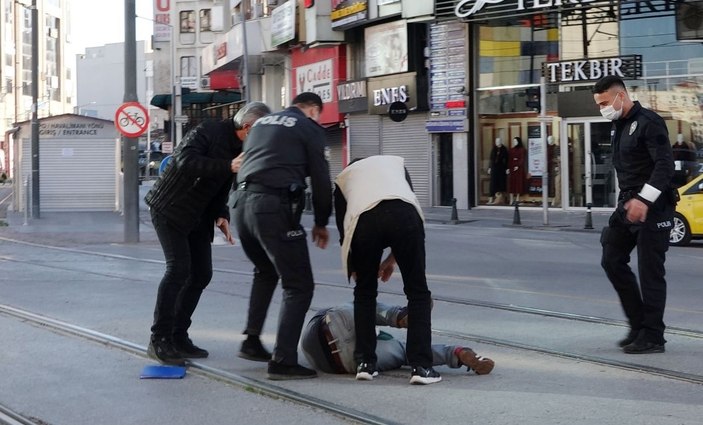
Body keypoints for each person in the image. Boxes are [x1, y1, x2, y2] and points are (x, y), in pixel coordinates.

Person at [145, 101, 272, 366]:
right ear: (248, 128)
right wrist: (228, 166)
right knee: (178, 270)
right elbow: (184, 161)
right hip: (170, 208)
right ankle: (159, 339)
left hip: (199, 214)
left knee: (202, 273)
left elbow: (222, 185)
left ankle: (178, 335)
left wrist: (221, 214)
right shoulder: (208, 130)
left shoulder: (242, 147)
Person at [233, 92, 332, 380]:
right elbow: (321, 178)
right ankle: (283, 360)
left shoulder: (262, 124)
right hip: (272, 208)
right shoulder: (309, 128)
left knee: (265, 271)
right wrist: (322, 222)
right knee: (299, 285)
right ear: (313, 110)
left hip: (241, 206)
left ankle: (251, 341)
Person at [334, 155, 440, 385]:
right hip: (405, 218)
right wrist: (393, 259)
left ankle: (365, 364)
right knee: (417, 292)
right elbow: (407, 202)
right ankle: (421, 367)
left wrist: (354, 266)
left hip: (364, 223)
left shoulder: (346, 178)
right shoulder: (396, 165)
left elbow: (344, 228)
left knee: (364, 293)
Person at [592, 75, 677, 354]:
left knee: (650, 270)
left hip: (653, 205)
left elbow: (665, 166)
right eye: (599, 104)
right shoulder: (619, 125)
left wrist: (644, 199)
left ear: (621, 96)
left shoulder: (649, 122)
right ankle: (639, 324)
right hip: (627, 204)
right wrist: (630, 201)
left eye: (604, 102)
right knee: (611, 258)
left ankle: (653, 336)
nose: (602, 108)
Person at [301, 302, 495, 377]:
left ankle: (398, 315)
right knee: (406, 352)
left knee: (364, 304)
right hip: (347, 358)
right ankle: (456, 353)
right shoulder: (390, 345)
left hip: (329, 340)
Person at [487, 137, 508, 205]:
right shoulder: (494, 148)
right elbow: (491, 159)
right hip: (494, 168)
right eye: (496, 141)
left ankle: (501, 199)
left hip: (501, 169)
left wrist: (507, 168)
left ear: (501, 142)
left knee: (501, 184)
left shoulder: (504, 149)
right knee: (492, 184)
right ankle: (491, 199)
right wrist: (489, 168)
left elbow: (506, 160)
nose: (497, 142)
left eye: (498, 141)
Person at [507, 136, 527, 204]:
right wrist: (508, 168)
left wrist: (518, 165)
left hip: (519, 169)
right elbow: (509, 159)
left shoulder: (522, 150)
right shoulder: (511, 150)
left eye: (516, 141)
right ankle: (511, 199)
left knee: (518, 184)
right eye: (514, 141)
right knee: (511, 183)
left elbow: (522, 159)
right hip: (512, 167)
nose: (514, 142)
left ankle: (517, 198)